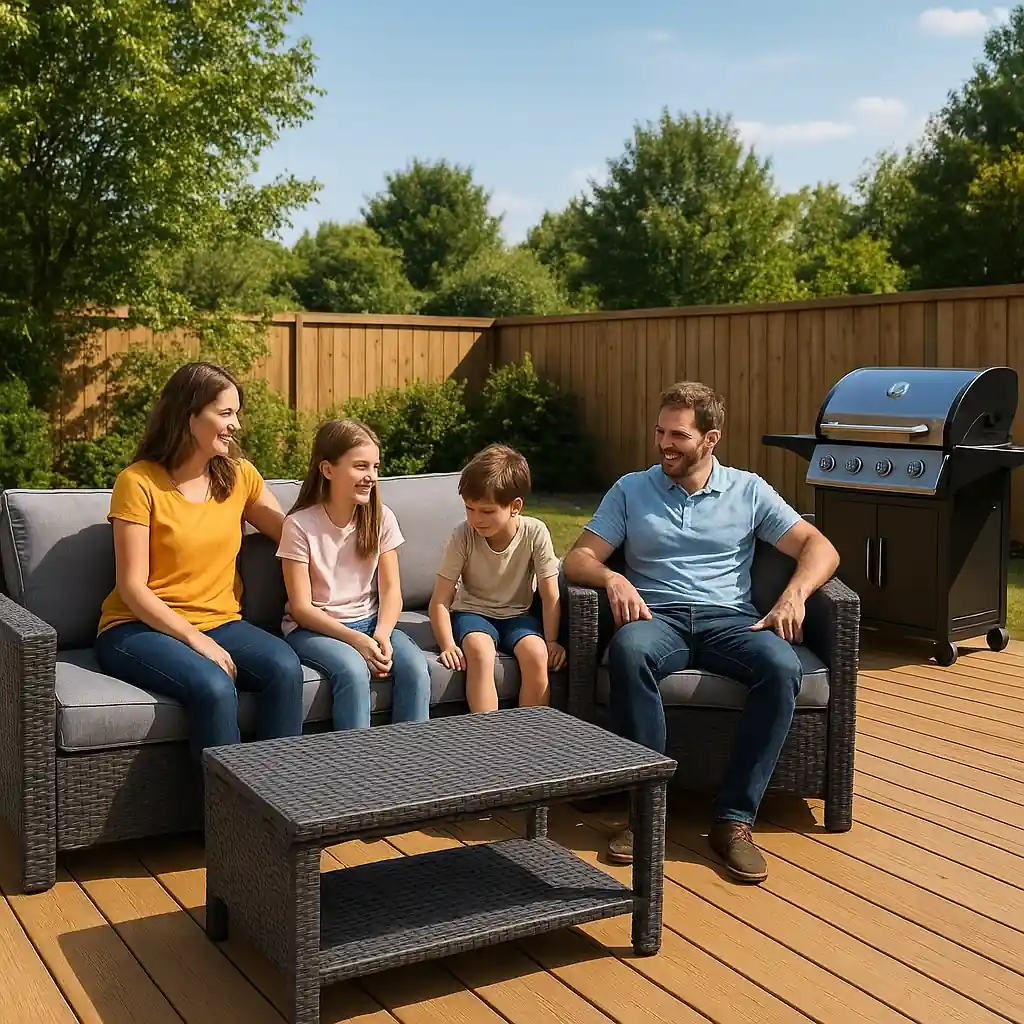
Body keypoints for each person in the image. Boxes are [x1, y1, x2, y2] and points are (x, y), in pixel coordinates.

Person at [562, 381, 839, 883]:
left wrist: (794, 594)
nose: (665, 443)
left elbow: (820, 548)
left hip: (729, 620)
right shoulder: (631, 489)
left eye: (679, 435)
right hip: (658, 619)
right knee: (628, 652)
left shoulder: (749, 490)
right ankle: (646, 814)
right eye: (660, 431)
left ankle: (734, 821)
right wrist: (613, 577)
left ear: (710, 439)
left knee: (781, 665)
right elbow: (578, 558)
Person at [95, 361, 306, 757]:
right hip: (137, 628)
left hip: (221, 621)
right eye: (226, 413)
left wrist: (347, 501)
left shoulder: (239, 477)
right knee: (213, 685)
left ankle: (280, 799)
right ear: (189, 416)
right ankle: (225, 816)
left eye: (236, 414)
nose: (236, 425)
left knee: (284, 668)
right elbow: (132, 587)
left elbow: (293, 534)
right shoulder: (138, 483)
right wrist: (196, 641)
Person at [276, 418, 431, 730]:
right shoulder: (299, 526)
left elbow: (391, 593)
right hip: (314, 630)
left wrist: (382, 635)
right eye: (360, 466)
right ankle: (355, 772)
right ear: (328, 470)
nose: (371, 476)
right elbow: (301, 609)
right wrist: (356, 641)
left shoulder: (381, 518)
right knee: (353, 670)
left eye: (375, 467)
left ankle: (413, 766)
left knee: (415, 667)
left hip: (371, 624)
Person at [429, 443, 565, 713]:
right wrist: (447, 644)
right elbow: (440, 601)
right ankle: (489, 738)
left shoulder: (535, 533)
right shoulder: (463, 535)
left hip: (518, 616)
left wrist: (551, 641)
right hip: (473, 613)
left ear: (515, 506)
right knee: (480, 651)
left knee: (536, 654)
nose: (475, 519)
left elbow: (551, 595)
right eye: (469, 508)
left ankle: (532, 738)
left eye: (487, 511)